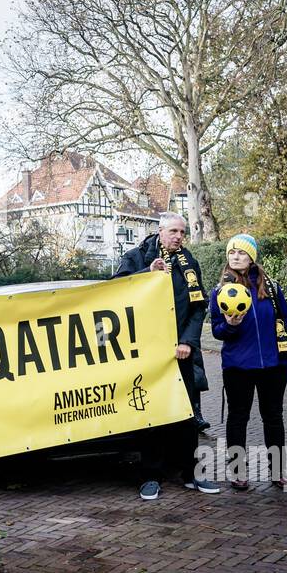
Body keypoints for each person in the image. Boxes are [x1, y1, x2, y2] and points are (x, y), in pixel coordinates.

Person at [114, 212, 219, 498]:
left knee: (186, 414)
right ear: (159, 231)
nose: (179, 237)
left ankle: (190, 473)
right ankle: (150, 476)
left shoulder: (189, 263)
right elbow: (114, 294)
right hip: (147, 352)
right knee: (151, 413)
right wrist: (145, 274)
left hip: (180, 352)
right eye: (173, 231)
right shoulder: (136, 257)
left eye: (183, 232)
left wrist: (188, 341)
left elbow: (199, 307)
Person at [209, 233, 287, 491]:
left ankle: (278, 471)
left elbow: (284, 320)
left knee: (273, 418)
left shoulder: (271, 287)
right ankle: (237, 471)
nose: (236, 257)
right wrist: (230, 325)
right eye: (232, 252)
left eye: (242, 253)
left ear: (252, 257)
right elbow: (216, 330)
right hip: (238, 366)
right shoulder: (220, 291)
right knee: (238, 418)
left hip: (273, 365)